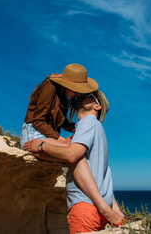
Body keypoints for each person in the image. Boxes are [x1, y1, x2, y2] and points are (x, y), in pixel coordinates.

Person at [23, 90, 125, 234]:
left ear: (97, 106)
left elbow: (72, 155)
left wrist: (42, 145)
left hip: (85, 206)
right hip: (101, 208)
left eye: (89, 96)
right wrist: (115, 209)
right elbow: (104, 173)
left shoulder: (88, 122)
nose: (82, 96)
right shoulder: (98, 130)